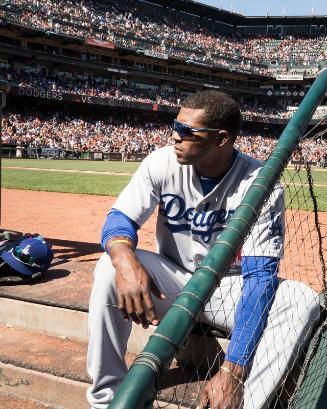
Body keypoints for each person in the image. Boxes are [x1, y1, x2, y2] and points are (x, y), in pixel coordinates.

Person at [87, 90, 320, 409]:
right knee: (109, 265)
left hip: (229, 289)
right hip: (173, 281)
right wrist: (125, 260)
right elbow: (120, 219)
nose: (175, 136)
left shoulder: (259, 183)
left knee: (299, 299)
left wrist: (233, 370)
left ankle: (247, 402)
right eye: (175, 126)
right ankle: (107, 397)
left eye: (186, 131)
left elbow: (260, 278)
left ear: (221, 138)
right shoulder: (162, 162)